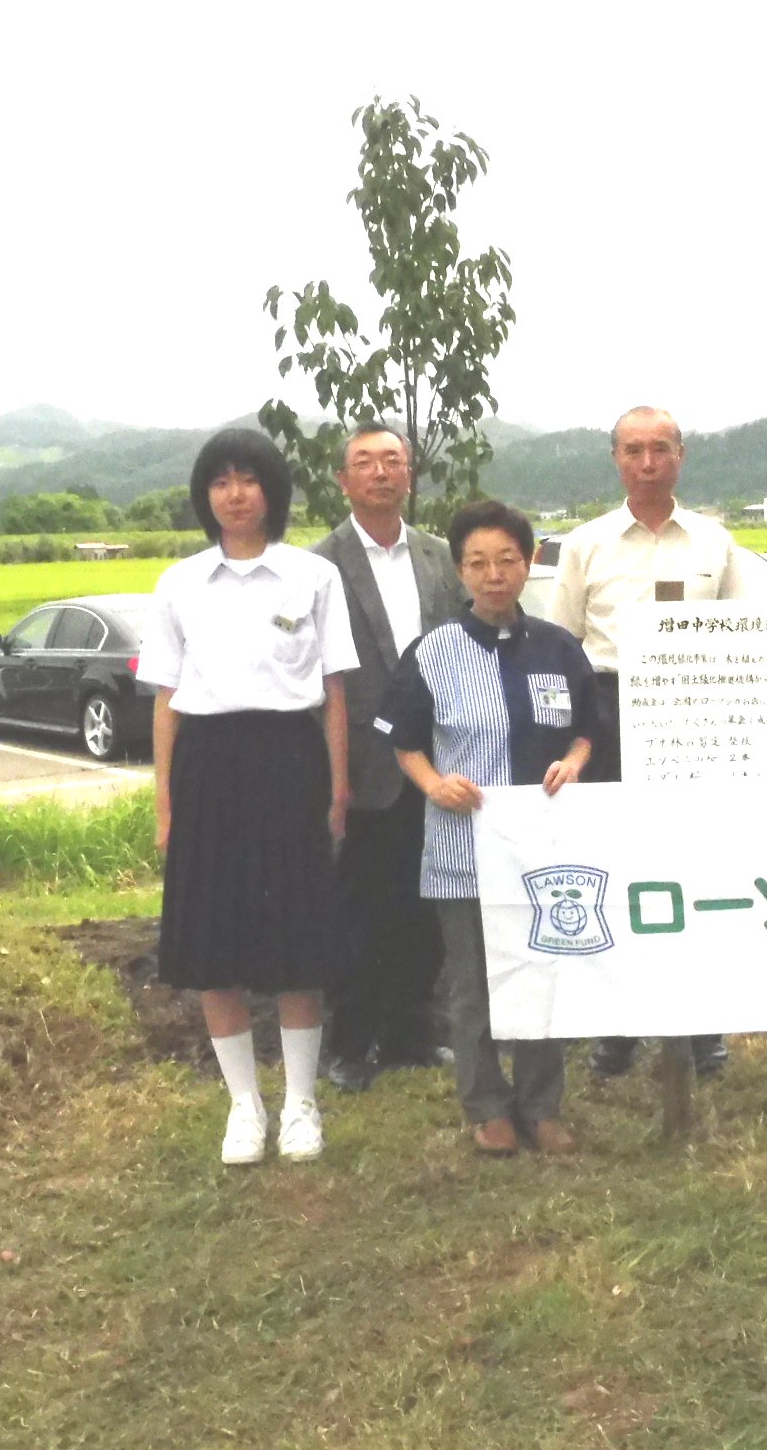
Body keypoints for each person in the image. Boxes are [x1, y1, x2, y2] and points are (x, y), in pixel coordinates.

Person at [137, 427, 358, 1165]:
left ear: (273, 491)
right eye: (221, 481)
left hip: (291, 761)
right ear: (206, 496)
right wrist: (166, 803)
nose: (235, 494)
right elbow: (166, 700)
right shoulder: (178, 583)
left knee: (298, 940)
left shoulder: (312, 578)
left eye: (250, 480)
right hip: (208, 765)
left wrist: (337, 789)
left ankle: (300, 1103)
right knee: (213, 941)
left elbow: (333, 695)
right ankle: (243, 1106)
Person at [549, 405, 762, 1079]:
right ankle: (618, 1029)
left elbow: (742, 633)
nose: (647, 462)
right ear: (616, 458)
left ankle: (703, 1028)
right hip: (609, 711)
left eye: (660, 449)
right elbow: (563, 646)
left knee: (694, 870)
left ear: (681, 455)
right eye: (634, 450)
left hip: (693, 716)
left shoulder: (714, 541)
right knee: (616, 872)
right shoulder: (586, 544)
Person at [380, 501, 594, 1155]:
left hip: (541, 847)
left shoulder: (559, 648)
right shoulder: (434, 653)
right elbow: (405, 741)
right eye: (478, 562)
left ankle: (541, 1103)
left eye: (507, 559)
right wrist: (433, 784)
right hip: (462, 845)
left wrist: (574, 763)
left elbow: (587, 729)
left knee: (541, 970)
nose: (494, 574)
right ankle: (484, 1104)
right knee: (472, 982)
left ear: (528, 565)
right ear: (461, 573)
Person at [312, 426, 463, 1093]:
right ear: (343, 480)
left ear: (411, 476)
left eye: (392, 461)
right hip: (362, 765)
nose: (380, 473)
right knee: (358, 908)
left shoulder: (438, 556)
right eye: (364, 463)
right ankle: (349, 1041)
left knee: (425, 905)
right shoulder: (318, 565)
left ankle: (411, 1030)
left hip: (437, 759)